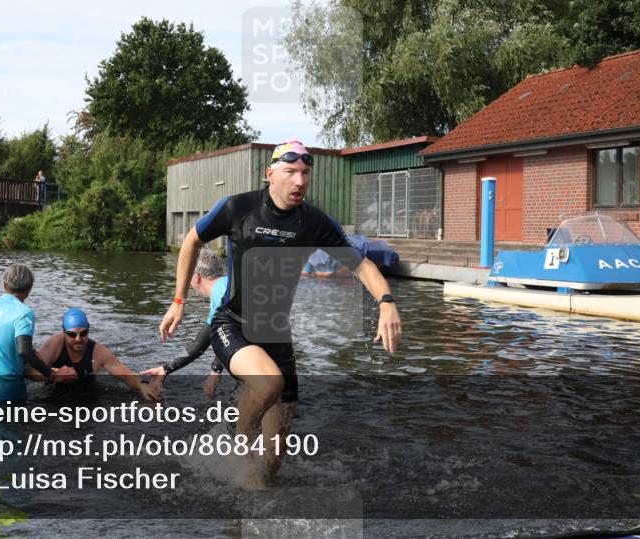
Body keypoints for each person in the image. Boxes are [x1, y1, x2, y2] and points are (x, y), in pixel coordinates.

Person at [159, 139, 402, 487]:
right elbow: (192, 240)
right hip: (233, 324)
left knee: (273, 463)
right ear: (270, 174)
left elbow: (362, 266)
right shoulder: (238, 208)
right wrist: (179, 300)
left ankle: (253, 480)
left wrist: (387, 303)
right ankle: (238, 449)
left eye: (305, 173)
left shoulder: (314, 222)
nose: (299, 181)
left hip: (276, 334)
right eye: (290, 171)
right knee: (269, 383)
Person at [0, 263, 68, 403]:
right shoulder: (24, 312)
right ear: (29, 289)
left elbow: (2, 341)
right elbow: (24, 350)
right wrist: (50, 373)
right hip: (6, 391)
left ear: (4, 285)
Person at [142, 247, 227, 398]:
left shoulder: (220, 294)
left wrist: (216, 370)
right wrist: (165, 369)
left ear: (196, 277)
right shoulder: (223, 287)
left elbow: (226, 338)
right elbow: (199, 344)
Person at [29, 308, 161, 400]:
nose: (78, 339)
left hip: (88, 394)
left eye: (83, 333)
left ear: (88, 330)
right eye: (72, 335)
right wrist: (54, 374)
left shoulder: (98, 352)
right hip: (52, 394)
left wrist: (142, 384)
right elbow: (29, 371)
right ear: (64, 332)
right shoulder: (54, 345)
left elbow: (126, 375)